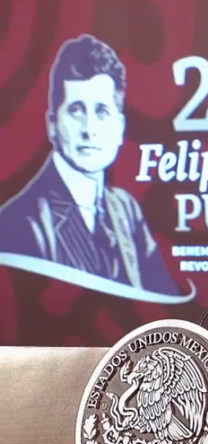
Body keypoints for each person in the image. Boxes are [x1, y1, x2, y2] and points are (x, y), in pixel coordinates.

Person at [0, 34, 179, 295]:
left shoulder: (126, 209)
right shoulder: (20, 223)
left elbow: (164, 302)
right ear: (52, 125)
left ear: (119, 128)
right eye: (76, 110)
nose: (89, 129)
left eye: (102, 111)